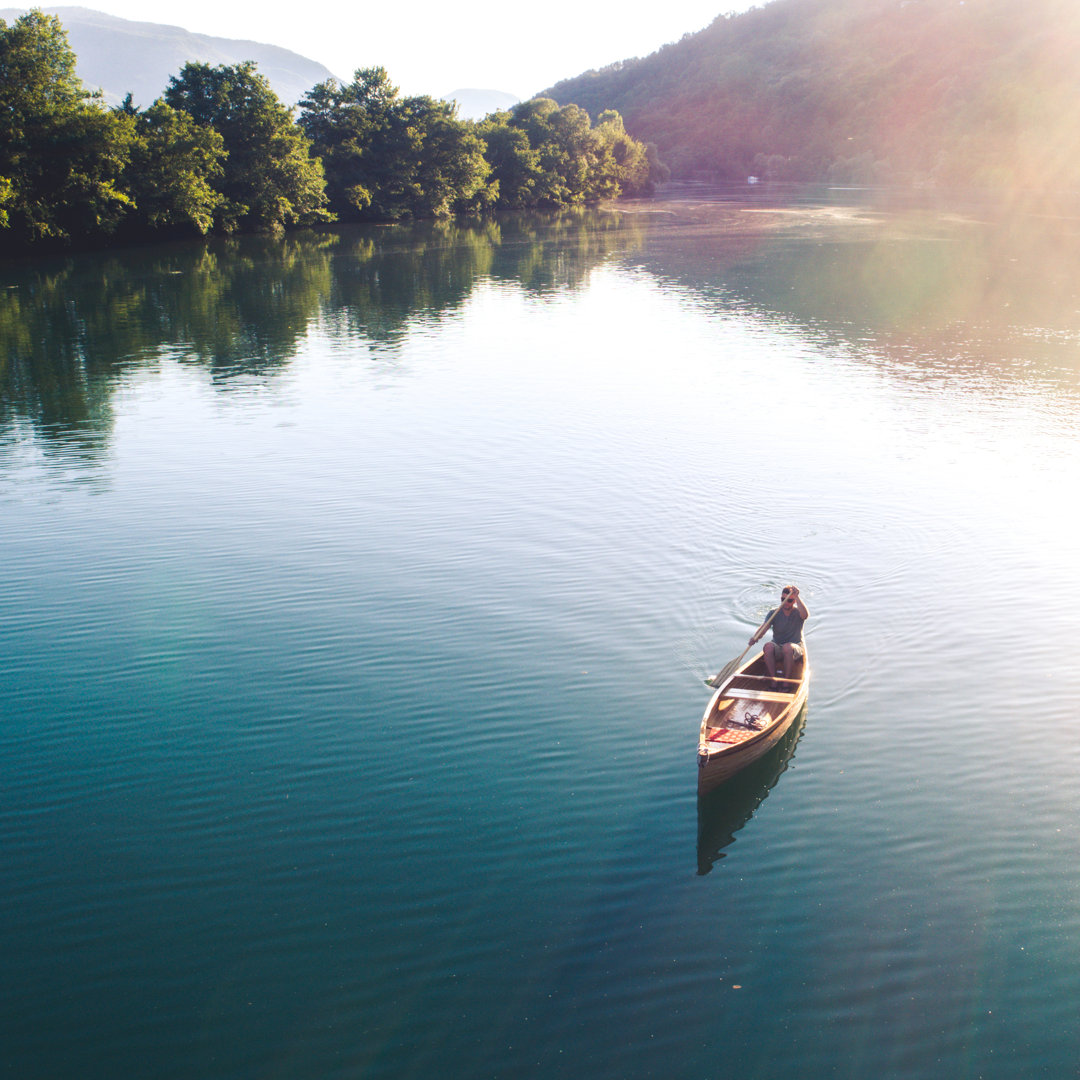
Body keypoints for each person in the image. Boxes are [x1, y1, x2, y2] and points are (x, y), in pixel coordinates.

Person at [749, 585, 808, 686]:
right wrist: (755, 638)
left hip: (795, 647)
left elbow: (805, 615)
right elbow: (764, 628)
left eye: (789, 600)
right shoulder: (774, 613)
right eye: (783, 599)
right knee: (768, 646)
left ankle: (786, 682)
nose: (785, 602)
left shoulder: (798, 612)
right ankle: (773, 680)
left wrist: (797, 596)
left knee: (787, 648)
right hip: (778, 645)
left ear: (794, 601)